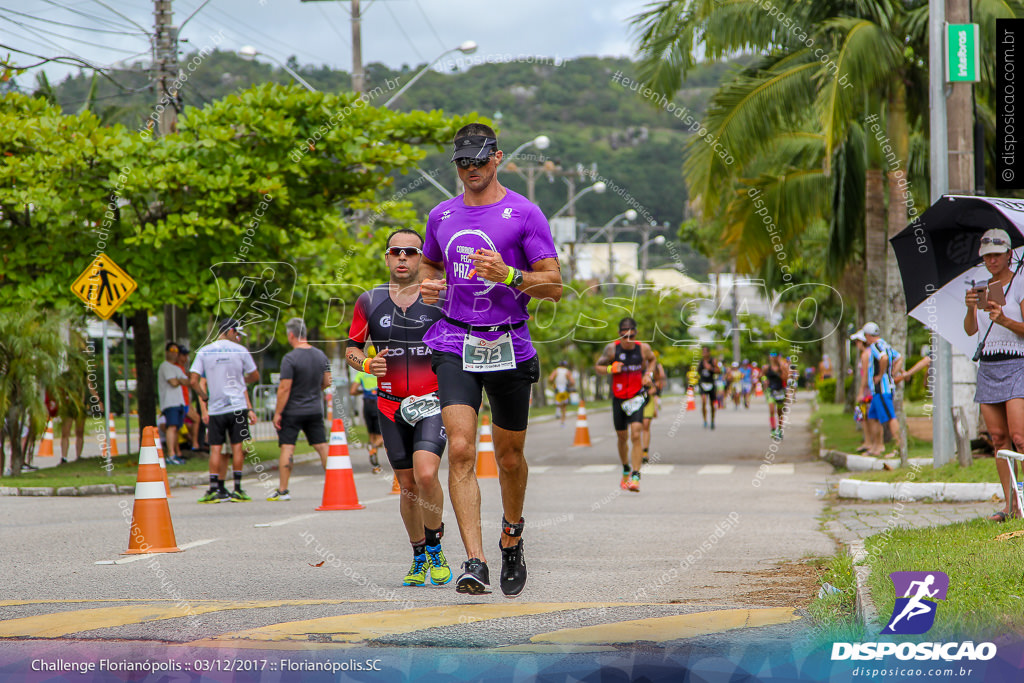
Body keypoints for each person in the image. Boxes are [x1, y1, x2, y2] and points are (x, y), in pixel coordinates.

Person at [419, 123, 562, 597]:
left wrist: (510, 274)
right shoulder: (441, 215)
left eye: (479, 160)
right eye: (462, 162)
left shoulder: (524, 213)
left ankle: (511, 536)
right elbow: (431, 264)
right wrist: (429, 285)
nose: (471, 170)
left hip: (508, 342)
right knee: (460, 447)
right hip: (455, 341)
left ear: (497, 158)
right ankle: (475, 561)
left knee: (509, 455)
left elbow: (554, 288)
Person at [348, 228, 451, 587]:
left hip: (432, 402)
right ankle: (419, 555)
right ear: (387, 257)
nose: (403, 257)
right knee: (407, 486)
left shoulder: (439, 297)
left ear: (422, 258)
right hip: (390, 406)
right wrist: (365, 365)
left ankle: (436, 546)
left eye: (411, 251)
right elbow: (352, 348)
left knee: (426, 475)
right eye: (396, 251)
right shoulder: (369, 300)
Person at [964, 228, 1024, 522]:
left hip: (1017, 364)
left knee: (1019, 438)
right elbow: (972, 331)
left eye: (996, 255)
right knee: (999, 439)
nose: (991, 260)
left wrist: (1005, 319)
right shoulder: (982, 286)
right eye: (986, 256)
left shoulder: (1020, 283)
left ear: (1009, 254)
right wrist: (969, 310)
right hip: (988, 365)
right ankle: (1010, 506)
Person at [190, 318, 260, 503]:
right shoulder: (241, 351)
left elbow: (193, 380)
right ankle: (237, 489)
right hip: (237, 406)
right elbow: (255, 375)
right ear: (229, 331)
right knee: (238, 447)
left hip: (216, 409)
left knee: (215, 448)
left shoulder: (205, 351)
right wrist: (240, 382)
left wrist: (204, 396)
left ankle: (213, 489)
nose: (238, 338)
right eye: (237, 334)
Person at [269, 318, 331, 502]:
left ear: (291, 335)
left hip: (293, 411)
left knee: (288, 447)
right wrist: (314, 392)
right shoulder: (321, 355)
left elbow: (284, 388)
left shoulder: (290, 358)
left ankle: (283, 490)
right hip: (314, 409)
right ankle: (334, 482)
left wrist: (278, 413)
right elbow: (327, 381)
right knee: (321, 445)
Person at [596, 318, 656, 491]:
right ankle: (625, 469)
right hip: (619, 398)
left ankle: (636, 476)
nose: (628, 339)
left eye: (631, 335)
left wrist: (648, 375)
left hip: (636, 397)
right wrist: (610, 369)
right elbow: (598, 367)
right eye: (624, 335)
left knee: (636, 434)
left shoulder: (643, 348)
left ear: (635, 333)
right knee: (622, 437)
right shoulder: (611, 349)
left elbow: (652, 360)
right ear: (619, 334)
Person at [861, 322, 902, 457]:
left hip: (882, 389)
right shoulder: (886, 344)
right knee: (872, 416)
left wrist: (881, 375)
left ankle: (899, 448)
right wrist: (893, 373)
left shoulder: (875, 346)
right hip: (880, 389)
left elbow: (883, 358)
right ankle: (877, 446)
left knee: (890, 417)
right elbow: (899, 357)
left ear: (868, 336)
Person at [349, 353, 384, 475]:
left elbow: (352, 391)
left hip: (367, 405)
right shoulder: (382, 369)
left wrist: (363, 392)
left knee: (372, 436)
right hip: (379, 403)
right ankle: (373, 449)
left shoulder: (363, 371)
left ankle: (376, 466)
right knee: (381, 437)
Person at [158, 342, 190, 465]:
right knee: (171, 427)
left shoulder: (177, 368)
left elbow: (187, 381)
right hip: (169, 402)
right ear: (166, 352)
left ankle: (176, 454)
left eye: (176, 351)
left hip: (179, 402)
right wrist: (180, 380)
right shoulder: (165, 366)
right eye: (171, 350)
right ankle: (171, 454)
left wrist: (180, 380)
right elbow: (173, 382)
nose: (174, 353)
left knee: (176, 428)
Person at [640, 350, 666, 465]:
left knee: (646, 424)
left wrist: (653, 389)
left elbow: (659, 382)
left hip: (648, 399)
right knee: (636, 427)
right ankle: (637, 450)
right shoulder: (634, 366)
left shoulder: (653, 368)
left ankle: (645, 452)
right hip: (634, 399)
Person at [762, 351, 790, 440]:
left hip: (780, 390)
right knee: (771, 409)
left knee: (780, 412)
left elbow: (786, 378)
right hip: (770, 391)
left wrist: (780, 370)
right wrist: (764, 380)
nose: (773, 357)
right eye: (771, 355)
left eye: (775, 355)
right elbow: (762, 376)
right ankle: (773, 429)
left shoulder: (782, 367)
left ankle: (780, 429)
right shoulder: (767, 368)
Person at [696, 346, 720, 429]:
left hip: (711, 384)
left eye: (705, 352)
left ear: (709, 353)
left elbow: (719, 371)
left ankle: (712, 420)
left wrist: (711, 368)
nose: (704, 353)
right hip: (703, 383)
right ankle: (705, 420)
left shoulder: (713, 361)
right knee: (703, 401)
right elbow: (697, 372)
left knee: (712, 404)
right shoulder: (700, 362)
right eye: (703, 352)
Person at [548, 360, 575, 427]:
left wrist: (553, 384)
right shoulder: (567, 371)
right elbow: (572, 381)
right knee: (564, 406)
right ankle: (562, 422)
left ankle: (557, 411)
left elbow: (550, 379)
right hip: (564, 389)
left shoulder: (556, 371)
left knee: (558, 403)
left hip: (557, 389)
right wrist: (568, 385)